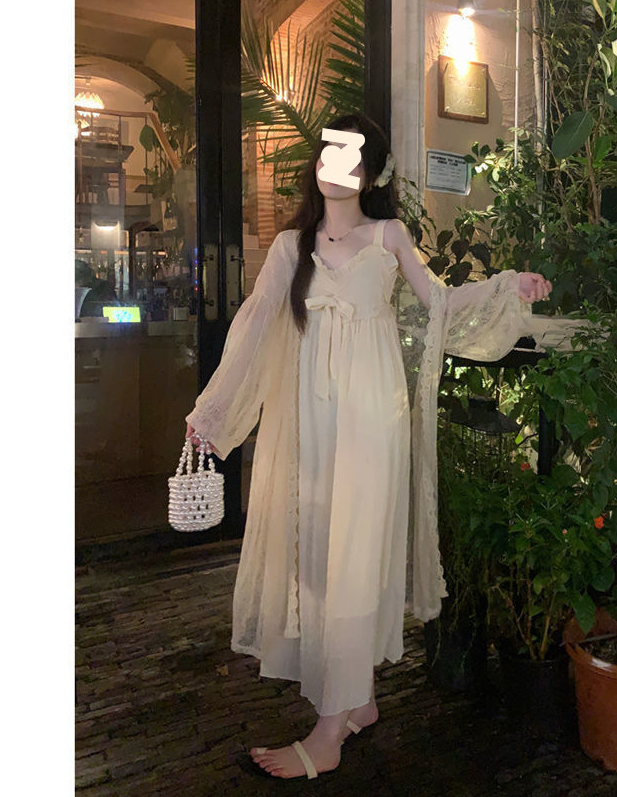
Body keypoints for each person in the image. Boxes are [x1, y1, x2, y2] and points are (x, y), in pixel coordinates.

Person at [184, 113, 553, 780]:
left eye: (353, 156)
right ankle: (358, 702)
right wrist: (211, 412)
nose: (338, 166)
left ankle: (331, 729)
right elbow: (254, 326)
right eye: (330, 151)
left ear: (373, 173)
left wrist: (507, 285)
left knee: (352, 556)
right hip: (308, 423)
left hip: (372, 419)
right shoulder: (290, 247)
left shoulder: (389, 236)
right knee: (316, 557)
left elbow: (439, 304)